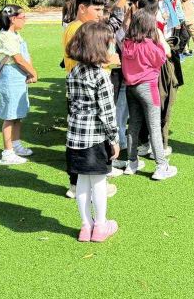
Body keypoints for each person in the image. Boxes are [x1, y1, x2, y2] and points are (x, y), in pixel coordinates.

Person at [65, 20, 120, 242]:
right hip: (96, 137)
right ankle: (100, 225)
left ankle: (85, 225)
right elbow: (107, 113)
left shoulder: (74, 71)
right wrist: (114, 138)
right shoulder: (101, 76)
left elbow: (70, 102)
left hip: (75, 136)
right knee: (98, 183)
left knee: (81, 182)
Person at [122, 7, 178, 180]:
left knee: (133, 126)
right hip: (148, 87)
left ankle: (131, 163)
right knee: (154, 126)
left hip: (131, 88)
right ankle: (161, 165)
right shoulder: (149, 45)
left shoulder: (127, 43)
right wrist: (159, 37)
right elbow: (163, 56)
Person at [0, 5, 36, 165]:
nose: (25, 20)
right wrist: (33, 72)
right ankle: (7, 152)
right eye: (22, 17)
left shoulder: (16, 35)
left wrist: (29, 71)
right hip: (10, 78)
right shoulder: (5, 36)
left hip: (19, 78)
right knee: (9, 116)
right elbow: (18, 59)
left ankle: (16, 144)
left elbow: (25, 57)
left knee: (18, 114)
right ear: (12, 19)